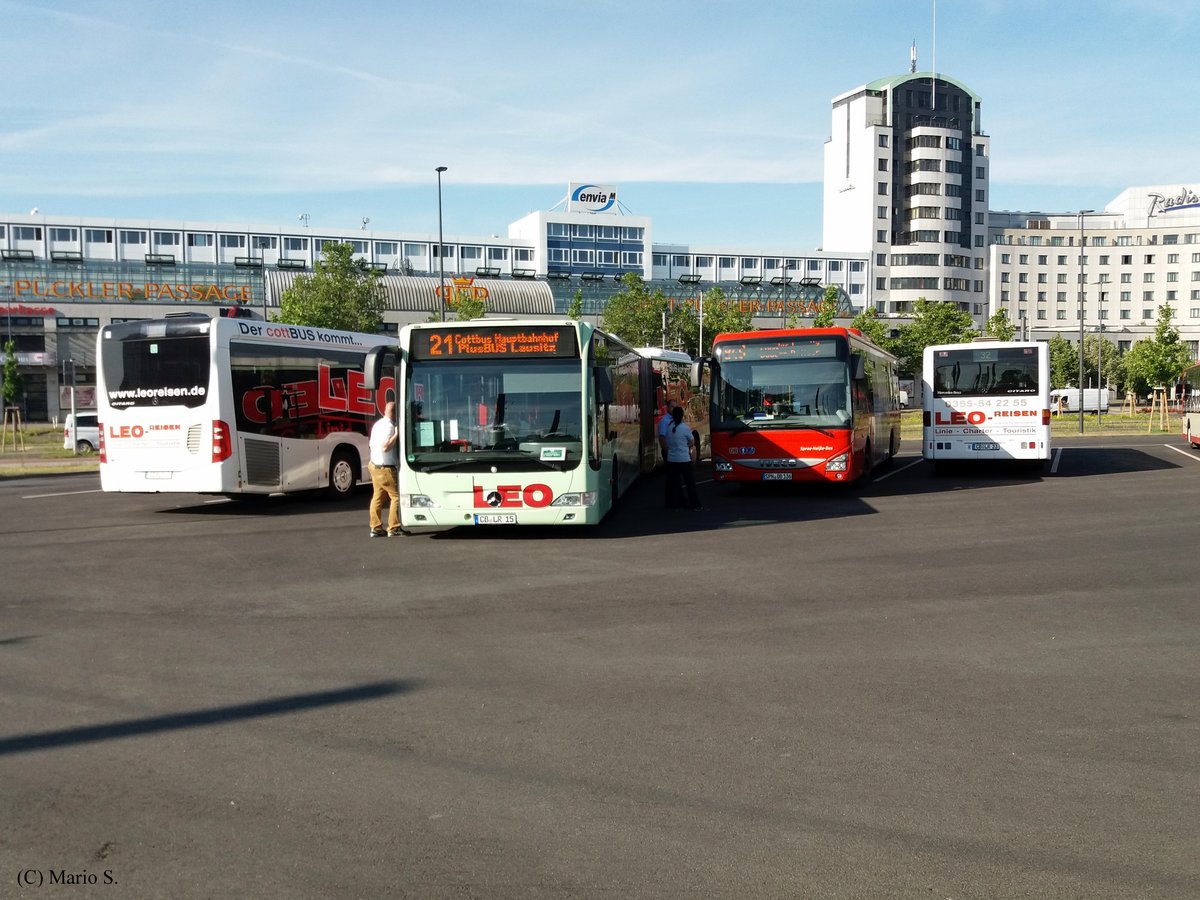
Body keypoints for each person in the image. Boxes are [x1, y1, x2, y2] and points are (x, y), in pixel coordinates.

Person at [368, 401, 401, 537]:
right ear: (394, 412)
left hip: (373, 465)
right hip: (385, 468)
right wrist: (396, 435)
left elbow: (371, 444)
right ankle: (393, 528)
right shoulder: (389, 427)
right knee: (397, 497)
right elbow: (385, 447)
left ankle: (375, 527)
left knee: (378, 497)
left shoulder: (378, 424)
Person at [663, 405, 701, 510]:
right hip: (684, 459)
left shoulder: (669, 428)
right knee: (690, 483)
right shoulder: (684, 428)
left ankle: (672, 504)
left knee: (673, 483)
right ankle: (694, 504)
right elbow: (692, 441)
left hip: (672, 459)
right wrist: (686, 446)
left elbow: (667, 442)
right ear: (682, 415)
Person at [656, 398, 679, 463]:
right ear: (667, 408)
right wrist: (668, 452)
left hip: (676, 452)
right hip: (669, 452)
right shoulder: (664, 421)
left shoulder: (677, 419)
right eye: (672, 406)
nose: (674, 409)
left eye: (675, 407)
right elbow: (662, 438)